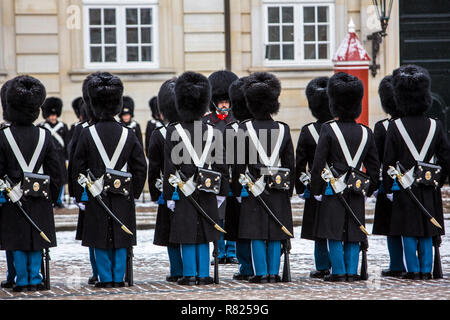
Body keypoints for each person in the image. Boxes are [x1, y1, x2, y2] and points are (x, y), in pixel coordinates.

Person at [72, 72, 147, 288]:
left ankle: (105, 278)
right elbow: (140, 166)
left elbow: (78, 167)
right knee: (122, 238)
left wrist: (80, 195)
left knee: (99, 237)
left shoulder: (87, 133)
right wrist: (134, 192)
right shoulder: (128, 133)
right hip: (122, 194)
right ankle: (118, 277)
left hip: (96, 195)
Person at [310, 72, 380, 282]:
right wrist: (369, 189)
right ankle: (351, 270)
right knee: (353, 231)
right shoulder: (366, 132)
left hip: (333, 189)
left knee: (333, 231)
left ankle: (338, 271)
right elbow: (375, 168)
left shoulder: (328, 129)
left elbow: (318, 163)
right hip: (357, 189)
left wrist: (316, 190)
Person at [383, 65, 450, 280]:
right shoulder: (436, 125)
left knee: (408, 229)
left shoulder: (396, 126)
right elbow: (446, 158)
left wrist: (388, 186)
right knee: (427, 228)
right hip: (428, 186)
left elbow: (388, 161)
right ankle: (426, 269)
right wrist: (437, 182)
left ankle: (412, 270)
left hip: (404, 187)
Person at [163, 71, 228, 286]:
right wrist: (222, 192)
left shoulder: (174, 131)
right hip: (208, 188)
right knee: (206, 232)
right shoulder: (213, 131)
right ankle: (203, 273)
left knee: (187, 231)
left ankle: (189, 274)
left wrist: (169, 195)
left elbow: (169, 167)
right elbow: (221, 166)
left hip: (183, 190)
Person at [0, 75, 63, 292]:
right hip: (39, 197)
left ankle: (22, 279)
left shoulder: (3, 136)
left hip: (12, 198)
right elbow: (57, 172)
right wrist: (53, 197)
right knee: (37, 239)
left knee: (17, 241)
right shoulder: (45, 135)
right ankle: (35, 278)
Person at [237, 72, 295, 283]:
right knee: (275, 232)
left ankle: (260, 273)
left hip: (254, 188)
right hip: (278, 188)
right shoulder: (283, 129)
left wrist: (238, 189)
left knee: (257, 233)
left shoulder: (244, 128)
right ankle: (273, 272)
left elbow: (237, 165)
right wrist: (288, 191)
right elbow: (290, 164)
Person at [295, 77, 332, 278]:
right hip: (340, 187)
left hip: (316, 186)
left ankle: (322, 265)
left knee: (319, 230)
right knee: (337, 227)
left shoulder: (308, 130)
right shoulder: (341, 129)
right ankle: (339, 264)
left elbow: (300, 163)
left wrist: (302, 189)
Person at [148, 78, 183, 282]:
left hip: (168, 189)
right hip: (192, 190)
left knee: (171, 233)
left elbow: (154, 168)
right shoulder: (197, 129)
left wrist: (156, 193)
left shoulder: (160, 133)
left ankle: (177, 269)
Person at [371, 75, 406, 277]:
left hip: (390, 182)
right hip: (414, 183)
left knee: (392, 228)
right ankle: (414, 264)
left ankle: (396, 264)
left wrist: (376, 185)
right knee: (412, 227)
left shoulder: (382, 127)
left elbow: (376, 160)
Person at [204, 70, 239, 265]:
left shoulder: (237, 121)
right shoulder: (207, 122)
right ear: (215, 102)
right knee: (217, 215)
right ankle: (218, 250)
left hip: (233, 173)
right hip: (215, 174)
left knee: (232, 214)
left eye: (227, 101)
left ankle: (231, 251)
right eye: (221, 101)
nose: (224, 104)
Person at [67, 73, 100, 285]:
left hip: (101, 187)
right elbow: (75, 162)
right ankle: (97, 270)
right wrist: (78, 193)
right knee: (92, 234)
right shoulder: (81, 129)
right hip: (90, 187)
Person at [226, 76, 254, 280]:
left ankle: (246, 267)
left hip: (240, 186)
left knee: (242, 229)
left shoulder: (233, 129)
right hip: (261, 186)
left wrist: (235, 189)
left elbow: (231, 162)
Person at [38, 97, 70, 209]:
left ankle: (58, 199)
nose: (53, 117)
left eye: (55, 114)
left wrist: (67, 157)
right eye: (51, 115)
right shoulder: (42, 127)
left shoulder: (63, 127)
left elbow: (67, 143)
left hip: (60, 157)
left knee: (61, 179)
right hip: (47, 158)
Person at [0, 79, 16, 289]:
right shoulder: (40, 134)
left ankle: (15, 274)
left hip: (11, 192)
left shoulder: (3, 135)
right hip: (29, 193)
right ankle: (17, 274)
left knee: (13, 236)